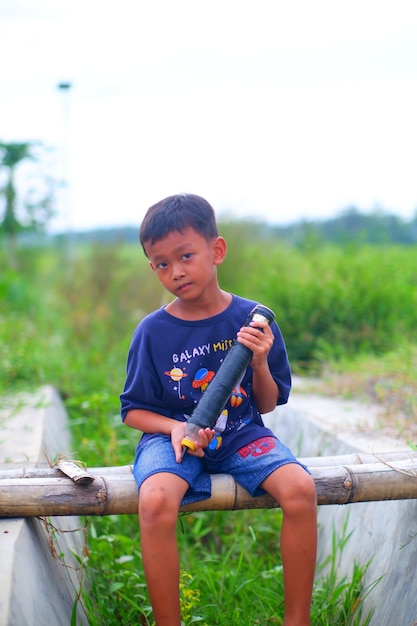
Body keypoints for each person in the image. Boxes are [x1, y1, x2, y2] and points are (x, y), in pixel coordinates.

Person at [120, 193, 317, 626]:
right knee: (154, 500)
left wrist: (260, 361)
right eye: (161, 264)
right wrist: (175, 428)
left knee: (301, 490)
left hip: (241, 432)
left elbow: (267, 404)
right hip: (171, 438)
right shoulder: (152, 331)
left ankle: (297, 621)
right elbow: (133, 410)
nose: (176, 272)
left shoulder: (253, 321)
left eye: (186, 256)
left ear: (217, 250)